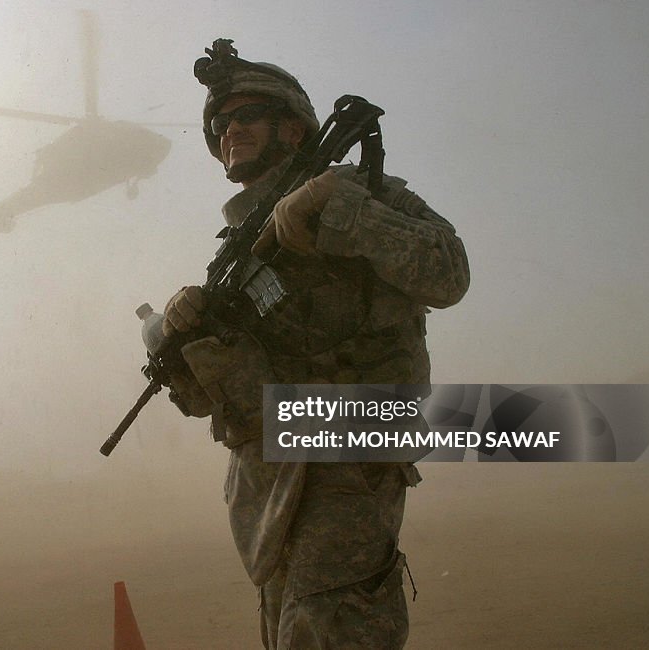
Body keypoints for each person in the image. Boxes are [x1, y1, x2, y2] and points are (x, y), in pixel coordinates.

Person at [158, 40, 470, 648]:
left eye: (246, 117)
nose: (229, 132)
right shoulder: (235, 255)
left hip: (348, 461)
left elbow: (448, 272)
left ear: (295, 129)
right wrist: (182, 335)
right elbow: (205, 401)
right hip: (268, 490)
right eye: (220, 125)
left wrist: (342, 210)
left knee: (332, 628)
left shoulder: (358, 191)